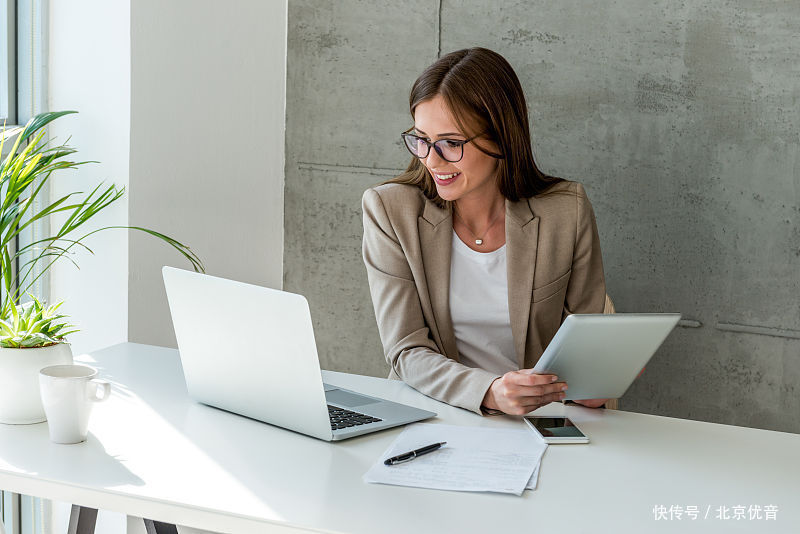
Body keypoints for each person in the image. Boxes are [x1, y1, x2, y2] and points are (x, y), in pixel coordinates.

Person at [361, 47, 610, 416]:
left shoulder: (565, 211)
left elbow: (584, 347)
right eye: (421, 139)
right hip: (435, 413)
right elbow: (406, 350)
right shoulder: (390, 211)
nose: (431, 159)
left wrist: (594, 382)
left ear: (501, 138)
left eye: (450, 143)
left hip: (538, 421)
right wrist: (489, 391)